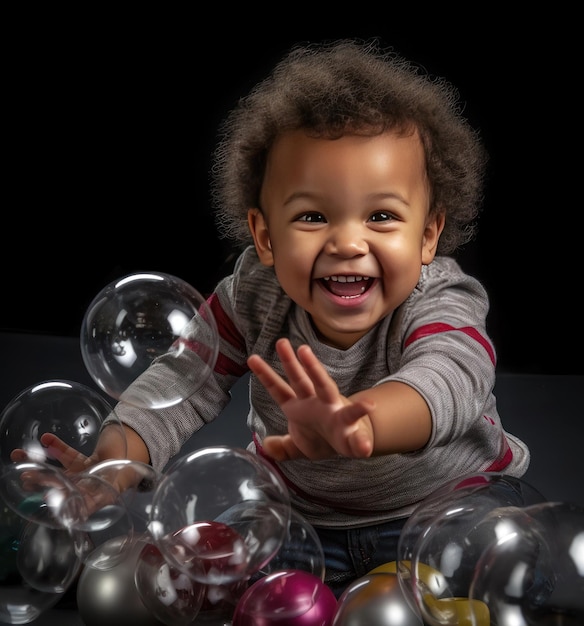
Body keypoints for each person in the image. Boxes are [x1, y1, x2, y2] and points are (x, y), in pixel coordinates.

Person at [16, 38, 530, 597]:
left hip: (449, 504)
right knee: (208, 576)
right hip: (301, 519)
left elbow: (449, 377)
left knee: (504, 556)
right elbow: (180, 385)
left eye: (382, 215)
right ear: (265, 235)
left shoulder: (442, 298)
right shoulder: (253, 296)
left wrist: (361, 423)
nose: (348, 242)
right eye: (313, 215)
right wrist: (109, 465)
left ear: (428, 234)